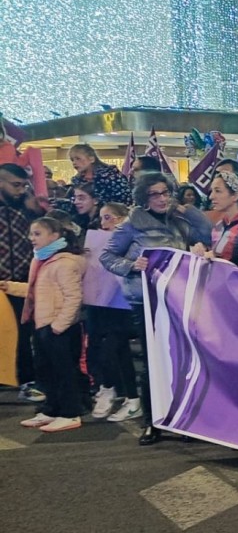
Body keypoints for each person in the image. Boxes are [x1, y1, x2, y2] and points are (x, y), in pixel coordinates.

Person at [100, 172, 213, 445]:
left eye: (165, 192)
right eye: (155, 194)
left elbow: (205, 233)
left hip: (176, 299)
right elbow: (107, 255)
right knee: (153, 361)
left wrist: (186, 210)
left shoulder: (178, 220)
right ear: (144, 197)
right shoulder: (131, 223)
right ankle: (152, 422)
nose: (162, 199)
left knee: (180, 359)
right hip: (146, 301)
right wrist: (131, 266)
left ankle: (182, 419)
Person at [10, 217, 85, 432]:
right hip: (43, 324)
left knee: (64, 372)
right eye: (31, 234)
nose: (31, 238)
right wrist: (10, 287)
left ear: (55, 236)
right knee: (46, 371)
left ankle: (70, 413)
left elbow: (74, 297)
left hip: (57, 327)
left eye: (37, 233)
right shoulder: (43, 260)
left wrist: (59, 325)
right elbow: (38, 291)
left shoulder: (65, 263)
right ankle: (51, 410)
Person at [85, 203, 136, 418]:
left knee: (111, 350)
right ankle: (130, 396)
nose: (103, 223)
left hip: (124, 306)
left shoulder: (132, 241)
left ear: (122, 219)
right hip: (103, 305)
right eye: (102, 218)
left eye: (108, 218)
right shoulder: (100, 241)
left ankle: (109, 388)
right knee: (118, 352)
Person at [1, 163, 40, 394]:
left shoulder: (28, 208)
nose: (21, 190)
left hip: (23, 282)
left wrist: (38, 211)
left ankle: (26, 378)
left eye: (24, 185)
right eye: (16, 185)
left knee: (24, 333)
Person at [203, 172, 238, 261]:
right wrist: (204, 250)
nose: (211, 196)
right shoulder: (219, 225)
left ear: (235, 196)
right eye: (211, 191)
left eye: (218, 191)